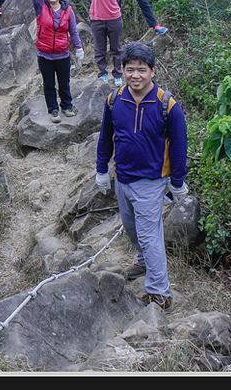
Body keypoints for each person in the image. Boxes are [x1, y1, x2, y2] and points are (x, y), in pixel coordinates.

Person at [95, 42, 188, 311]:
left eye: (142, 70)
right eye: (130, 69)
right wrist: (102, 170)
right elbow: (105, 139)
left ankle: (159, 292)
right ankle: (144, 261)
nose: (136, 75)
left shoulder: (167, 105)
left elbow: (179, 146)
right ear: (122, 70)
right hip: (122, 177)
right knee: (131, 228)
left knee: (149, 236)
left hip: (151, 180)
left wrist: (178, 182)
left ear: (153, 72)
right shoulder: (115, 100)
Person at [16, 0, 84, 123]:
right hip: (45, 55)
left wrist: (79, 48)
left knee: (64, 83)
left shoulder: (68, 11)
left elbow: (73, 31)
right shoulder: (41, 7)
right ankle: (53, 109)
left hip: (62, 54)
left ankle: (67, 106)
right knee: (48, 84)